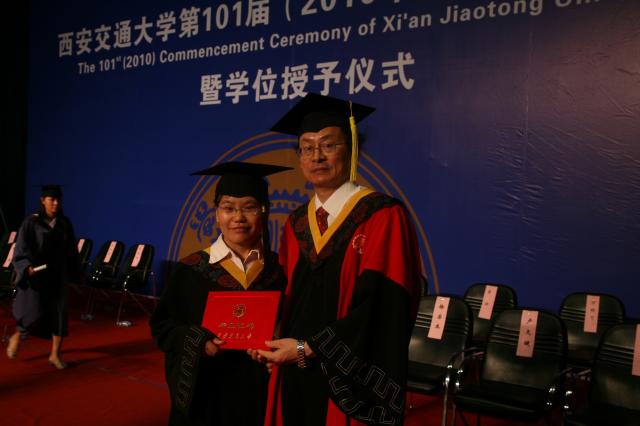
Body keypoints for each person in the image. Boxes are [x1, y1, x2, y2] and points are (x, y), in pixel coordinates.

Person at [251, 93, 423, 426]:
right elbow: (286, 296)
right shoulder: (296, 224)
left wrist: (308, 348)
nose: (317, 156)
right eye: (307, 147)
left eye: (328, 145)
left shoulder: (382, 215)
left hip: (348, 377)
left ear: (352, 149)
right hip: (292, 367)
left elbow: (384, 306)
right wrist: (268, 340)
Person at [150, 161, 291, 426]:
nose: (238, 217)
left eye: (249, 207)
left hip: (261, 391)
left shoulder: (281, 268)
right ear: (216, 214)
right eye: (228, 208)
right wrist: (197, 340)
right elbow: (163, 327)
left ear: (264, 212)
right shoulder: (191, 269)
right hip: (208, 393)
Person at [7, 185, 81, 369]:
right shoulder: (31, 222)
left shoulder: (64, 224)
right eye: (51, 199)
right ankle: (17, 335)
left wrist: (76, 275)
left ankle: (55, 355)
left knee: (59, 314)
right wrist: (26, 267)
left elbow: (72, 252)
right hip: (37, 275)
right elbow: (20, 249)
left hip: (58, 275)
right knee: (32, 311)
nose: (55, 203)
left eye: (58, 200)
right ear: (43, 200)